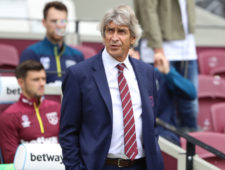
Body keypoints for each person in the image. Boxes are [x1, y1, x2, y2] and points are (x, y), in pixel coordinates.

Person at [59, 5, 164, 170]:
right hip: (102, 165)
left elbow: (152, 124)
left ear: (133, 38)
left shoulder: (147, 73)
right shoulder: (78, 75)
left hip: (142, 165)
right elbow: (67, 132)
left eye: (121, 32)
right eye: (110, 31)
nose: (114, 38)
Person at [134, 0, 199, 131]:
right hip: (160, 50)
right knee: (161, 110)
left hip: (187, 48)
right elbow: (148, 11)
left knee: (190, 106)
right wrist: (158, 48)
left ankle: (190, 147)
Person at [0, 60, 61, 163]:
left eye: (43, 79)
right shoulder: (8, 116)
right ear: (21, 83)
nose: (42, 84)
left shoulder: (56, 108)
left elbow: (68, 145)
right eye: (36, 80)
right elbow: (11, 159)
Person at [19, 1, 84, 83]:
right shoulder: (31, 53)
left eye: (63, 21)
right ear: (44, 22)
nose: (59, 26)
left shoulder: (77, 56)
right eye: (54, 21)